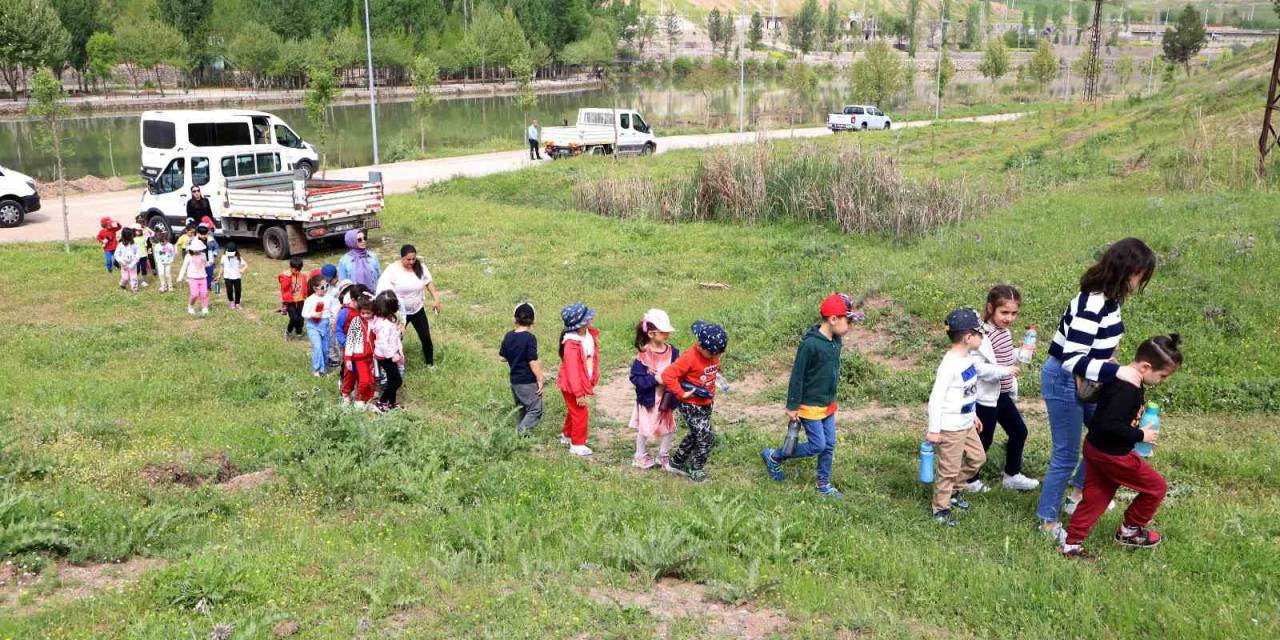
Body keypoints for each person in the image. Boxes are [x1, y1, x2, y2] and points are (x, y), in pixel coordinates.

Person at [1037, 238, 1157, 543]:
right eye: (1140, 274)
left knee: (1105, 435)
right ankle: (1047, 521)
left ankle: (1079, 494)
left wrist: (1110, 366)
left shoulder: (1111, 299)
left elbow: (1098, 348)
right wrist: (1119, 372)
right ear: (1126, 269)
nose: (1140, 282)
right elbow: (1072, 359)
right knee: (1066, 454)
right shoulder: (1093, 303)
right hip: (1066, 379)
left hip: (1092, 380)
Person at [1061, 335, 1182, 559]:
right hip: (1113, 455)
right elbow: (1109, 424)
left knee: (1097, 497)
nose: (1162, 381)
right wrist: (1140, 435)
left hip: (1096, 448)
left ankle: (1072, 544)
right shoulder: (1126, 389)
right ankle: (1130, 531)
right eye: (1163, 376)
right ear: (1146, 367)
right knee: (1156, 487)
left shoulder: (1124, 379)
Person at [761, 293, 859, 497]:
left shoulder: (836, 340)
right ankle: (775, 457)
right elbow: (797, 375)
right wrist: (792, 405)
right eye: (848, 320)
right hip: (809, 405)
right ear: (833, 319)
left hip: (827, 404)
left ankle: (823, 485)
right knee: (818, 445)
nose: (850, 325)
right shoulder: (810, 345)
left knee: (829, 444)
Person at [965, 285, 1039, 492]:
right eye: (1004, 312)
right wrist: (1004, 371)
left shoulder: (1004, 332)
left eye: (1014, 313)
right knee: (983, 439)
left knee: (1019, 431)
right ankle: (969, 480)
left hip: (1003, 395)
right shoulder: (981, 335)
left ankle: (1012, 475)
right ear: (990, 308)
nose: (1009, 318)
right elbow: (977, 367)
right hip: (985, 398)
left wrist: (1020, 352)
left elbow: (1004, 356)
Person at [926, 309, 988, 526]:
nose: (983, 336)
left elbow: (967, 393)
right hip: (950, 427)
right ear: (968, 337)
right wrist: (934, 430)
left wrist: (973, 415)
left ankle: (953, 491)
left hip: (966, 423)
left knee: (978, 459)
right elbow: (936, 399)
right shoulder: (949, 365)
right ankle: (940, 509)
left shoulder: (967, 358)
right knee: (948, 470)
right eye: (980, 332)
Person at [662, 320, 728, 483]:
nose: (716, 356)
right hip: (691, 404)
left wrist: (716, 378)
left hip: (706, 402)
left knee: (696, 434)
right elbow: (667, 375)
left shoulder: (714, 353)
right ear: (701, 346)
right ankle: (696, 468)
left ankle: (676, 462)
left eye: (718, 353)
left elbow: (709, 368)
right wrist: (681, 393)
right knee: (706, 437)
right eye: (712, 353)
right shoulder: (689, 357)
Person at [628, 309, 679, 470]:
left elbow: (679, 371)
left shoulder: (673, 352)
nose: (667, 334)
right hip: (649, 399)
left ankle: (663, 455)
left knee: (669, 427)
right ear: (651, 334)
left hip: (666, 398)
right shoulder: (644, 355)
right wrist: (655, 379)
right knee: (645, 428)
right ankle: (640, 455)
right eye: (663, 332)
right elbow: (635, 378)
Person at [376, 245, 443, 367]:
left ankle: (430, 364)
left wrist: (436, 298)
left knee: (425, 337)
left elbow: (428, 282)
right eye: (408, 259)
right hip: (399, 312)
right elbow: (382, 290)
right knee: (395, 339)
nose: (411, 262)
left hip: (417, 309)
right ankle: (392, 366)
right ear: (401, 258)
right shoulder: (392, 270)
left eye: (414, 259)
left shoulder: (420, 267)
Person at [556, 303, 600, 457]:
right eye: (588, 317)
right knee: (581, 412)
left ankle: (567, 435)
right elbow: (573, 371)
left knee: (573, 410)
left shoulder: (586, 335)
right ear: (581, 323)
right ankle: (577, 444)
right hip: (572, 386)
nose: (591, 318)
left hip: (580, 382)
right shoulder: (571, 344)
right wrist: (579, 393)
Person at [500, 302, 544, 435]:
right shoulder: (530, 338)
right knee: (535, 409)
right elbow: (532, 360)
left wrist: (514, 355)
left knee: (522, 408)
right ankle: (519, 434)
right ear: (533, 321)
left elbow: (502, 357)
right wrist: (540, 378)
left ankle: (521, 438)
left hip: (514, 381)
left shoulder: (509, 335)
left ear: (514, 319)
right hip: (527, 381)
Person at [370, 291, 405, 412]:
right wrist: (393, 355)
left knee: (392, 379)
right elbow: (383, 344)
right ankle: (381, 402)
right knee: (397, 381)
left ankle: (391, 403)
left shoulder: (387, 319)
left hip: (390, 354)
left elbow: (394, 338)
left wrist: (399, 351)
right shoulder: (384, 324)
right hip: (385, 356)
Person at [341, 293, 378, 409]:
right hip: (358, 357)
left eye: (368, 313)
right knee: (364, 380)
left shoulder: (375, 322)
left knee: (371, 380)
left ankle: (368, 399)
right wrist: (347, 358)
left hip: (371, 357)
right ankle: (358, 399)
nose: (365, 315)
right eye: (363, 313)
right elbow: (350, 339)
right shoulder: (356, 322)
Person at [302, 278, 332, 376]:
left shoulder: (329, 298)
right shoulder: (311, 299)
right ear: (315, 288)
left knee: (325, 349)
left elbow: (333, 311)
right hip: (313, 326)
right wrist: (313, 314)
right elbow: (304, 313)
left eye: (327, 286)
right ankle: (316, 369)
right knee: (317, 347)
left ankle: (324, 369)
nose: (325, 289)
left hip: (325, 325)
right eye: (322, 287)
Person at [278, 258, 310, 340]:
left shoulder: (302, 276)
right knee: (294, 318)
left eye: (299, 270)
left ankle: (299, 332)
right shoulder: (284, 276)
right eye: (295, 270)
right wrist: (288, 277)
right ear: (290, 267)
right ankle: (288, 331)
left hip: (300, 300)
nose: (297, 272)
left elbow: (305, 286)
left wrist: (306, 295)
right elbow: (284, 287)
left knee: (301, 317)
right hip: (290, 301)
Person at [176, 237, 210, 315]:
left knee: (204, 293)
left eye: (199, 250)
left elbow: (205, 264)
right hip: (192, 278)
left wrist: (209, 263)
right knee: (194, 294)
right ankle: (190, 306)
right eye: (196, 250)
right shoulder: (188, 256)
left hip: (203, 277)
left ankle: (205, 307)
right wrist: (180, 277)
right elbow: (184, 267)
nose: (198, 251)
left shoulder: (203, 255)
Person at [217, 242, 247, 309]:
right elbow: (222, 267)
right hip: (227, 277)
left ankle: (237, 303)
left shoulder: (238, 257)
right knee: (229, 290)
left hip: (237, 277)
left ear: (235, 251)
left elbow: (246, 265)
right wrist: (219, 275)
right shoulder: (224, 257)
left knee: (238, 291)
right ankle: (231, 302)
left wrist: (242, 270)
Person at [114, 228, 141, 292]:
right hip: (124, 265)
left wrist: (134, 262)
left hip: (133, 264)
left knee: (134, 277)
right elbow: (116, 254)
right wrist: (121, 261)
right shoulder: (120, 245)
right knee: (125, 277)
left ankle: (134, 288)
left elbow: (138, 254)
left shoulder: (134, 244)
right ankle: (122, 284)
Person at [132, 214, 153, 288]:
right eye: (137, 231)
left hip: (144, 256)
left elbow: (147, 245)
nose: (139, 231)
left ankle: (144, 281)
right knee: (137, 269)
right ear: (134, 231)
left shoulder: (144, 238)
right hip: (136, 257)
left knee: (144, 269)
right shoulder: (133, 240)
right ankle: (134, 280)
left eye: (140, 230)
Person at [196, 225, 220, 290]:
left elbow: (217, 248)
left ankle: (208, 286)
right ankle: (200, 286)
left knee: (209, 274)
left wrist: (214, 254)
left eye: (205, 234)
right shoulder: (194, 241)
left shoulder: (211, 240)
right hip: (199, 261)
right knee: (200, 274)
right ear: (198, 233)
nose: (203, 236)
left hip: (209, 260)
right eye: (201, 234)